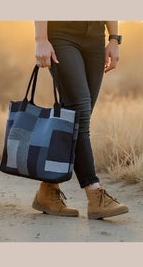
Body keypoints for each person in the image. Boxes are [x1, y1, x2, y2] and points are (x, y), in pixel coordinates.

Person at [32, 21, 128, 219]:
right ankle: (94, 192)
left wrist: (114, 38)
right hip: (61, 34)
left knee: (76, 118)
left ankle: (48, 190)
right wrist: (41, 38)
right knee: (79, 111)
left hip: (95, 36)